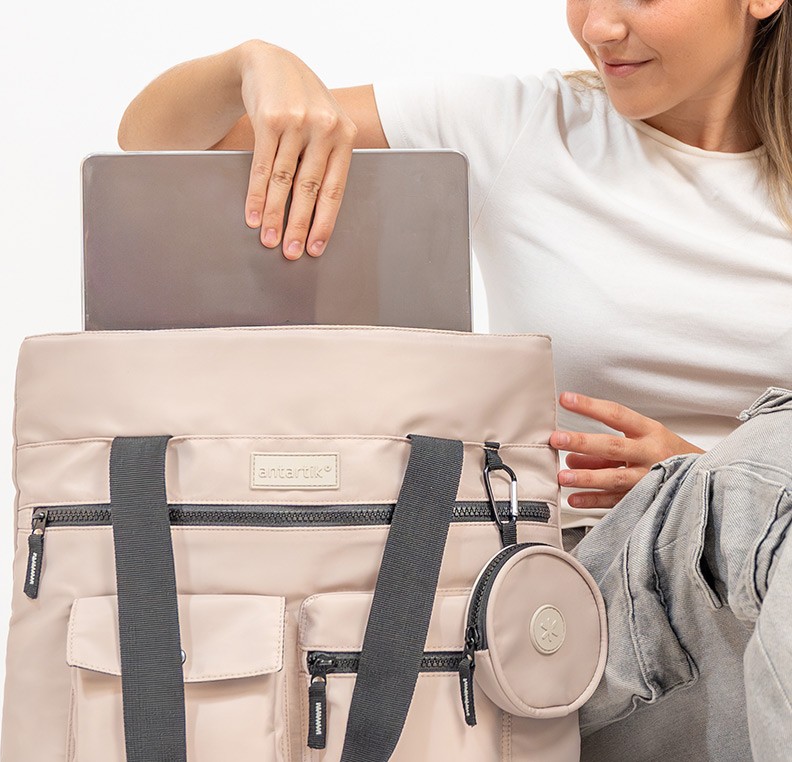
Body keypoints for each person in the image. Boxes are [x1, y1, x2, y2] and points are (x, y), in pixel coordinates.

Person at [117, 1, 792, 759]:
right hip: (580, 610)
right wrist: (250, 64)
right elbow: (157, 148)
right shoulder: (520, 126)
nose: (599, 27)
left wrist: (710, 482)